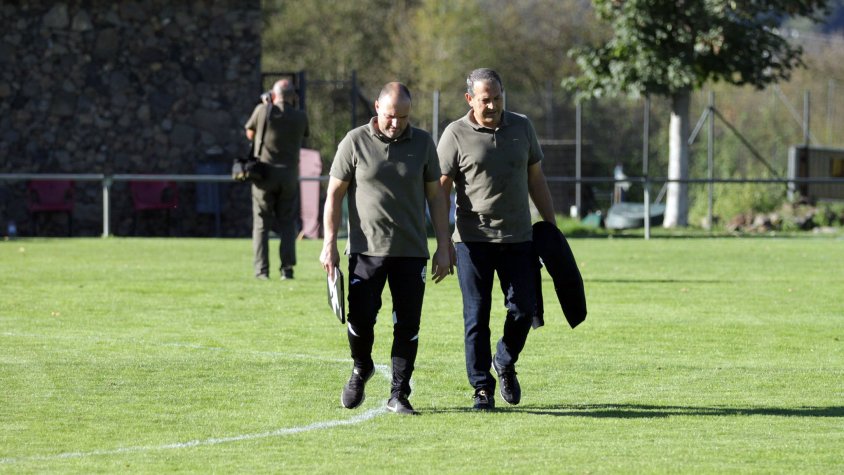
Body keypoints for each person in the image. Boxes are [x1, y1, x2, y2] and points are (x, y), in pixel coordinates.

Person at [320, 82, 453, 415]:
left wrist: (444, 245)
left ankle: (399, 393)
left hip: (411, 252)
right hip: (366, 251)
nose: (397, 123)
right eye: (391, 116)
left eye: (404, 117)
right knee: (361, 320)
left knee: (407, 325)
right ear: (377, 107)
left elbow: (436, 197)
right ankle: (360, 367)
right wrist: (329, 245)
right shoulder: (354, 141)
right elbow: (334, 196)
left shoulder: (423, 142)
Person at [437, 68, 557, 410]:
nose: (492, 106)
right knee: (476, 316)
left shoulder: (522, 127)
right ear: (470, 99)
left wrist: (551, 229)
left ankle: (504, 360)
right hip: (472, 242)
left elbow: (537, 179)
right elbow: (441, 192)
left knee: (524, 309)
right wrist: (443, 242)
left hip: (518, 238)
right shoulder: (455, 134)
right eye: (485, 100)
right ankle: (481, 388)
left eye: (497, 98)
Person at [244, 79, 309, 280]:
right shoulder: (300, 117)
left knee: (261, 223)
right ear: (293, 97)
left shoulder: (263, 111)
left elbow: (250, 134)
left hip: (264, 176)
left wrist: (266, 107)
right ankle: (287, 270)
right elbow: (304, 135)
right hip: (289, 176)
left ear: (273, 94)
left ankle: (262, 271)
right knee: (287, 223)